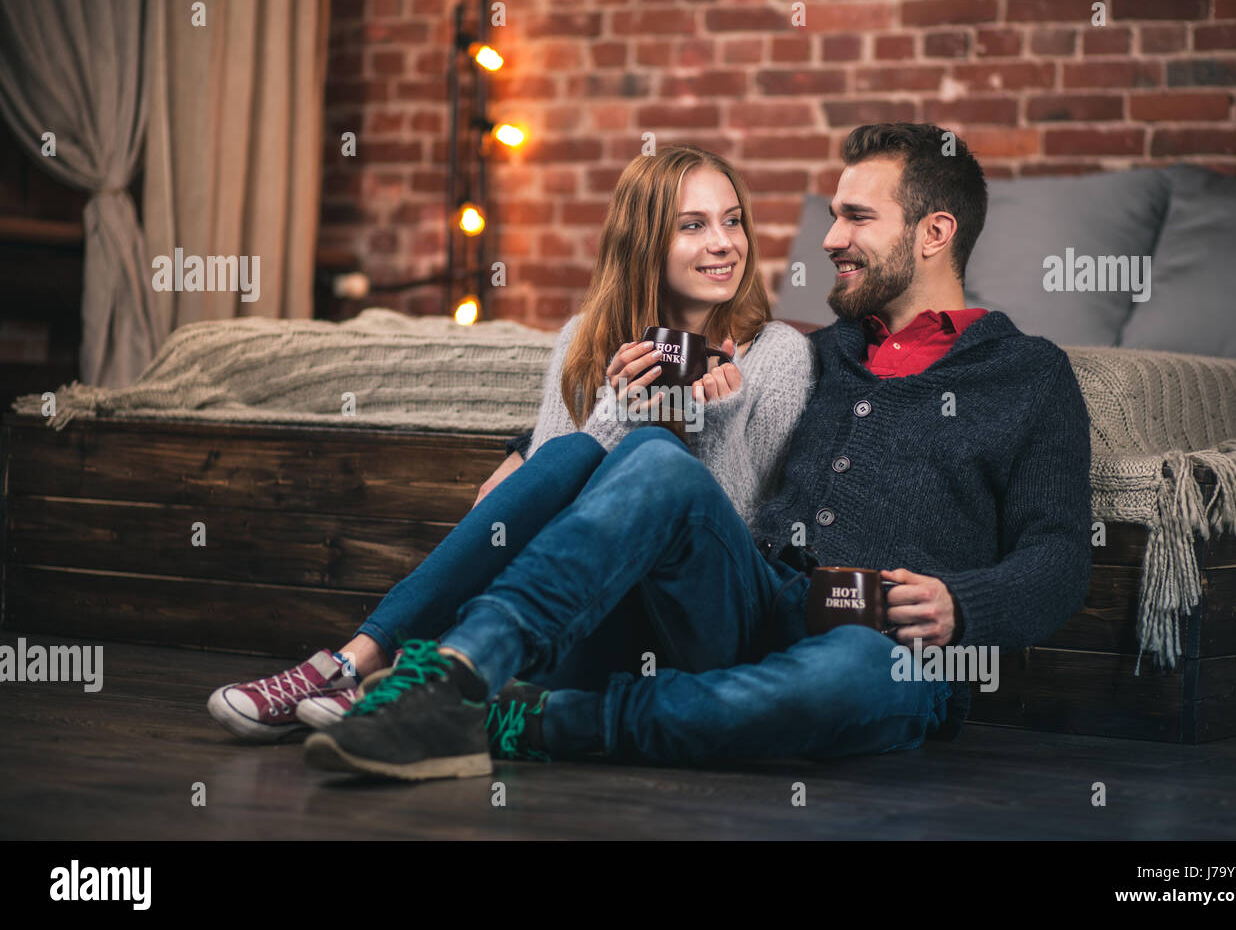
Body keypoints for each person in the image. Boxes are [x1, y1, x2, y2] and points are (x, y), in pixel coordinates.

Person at [302, 122, 1094, 780]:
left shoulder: (1027, 376)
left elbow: (1060, 557)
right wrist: (544, 443)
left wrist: (966, 606)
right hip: (757, 602)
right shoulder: (827, 351)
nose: (828, 239)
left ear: (934, 233)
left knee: (853, 673)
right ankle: (457, 674)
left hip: (888, 644)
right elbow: (675, 431)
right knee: (653, 459)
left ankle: (533, 718)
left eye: (855, 218)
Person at [206, 145, 815, 743]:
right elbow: (546, 508)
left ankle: (382, 676)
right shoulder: (587, 339)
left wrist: (718, 419)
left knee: (628, 462)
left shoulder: (777, 354)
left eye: (732, 221)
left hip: (688, 636)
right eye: (693, 226)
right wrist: (617, 412)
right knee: (573, 453)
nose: (724, 243)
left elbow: (745, 535)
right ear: (646, 242)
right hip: (578, 622)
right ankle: (353, 666)